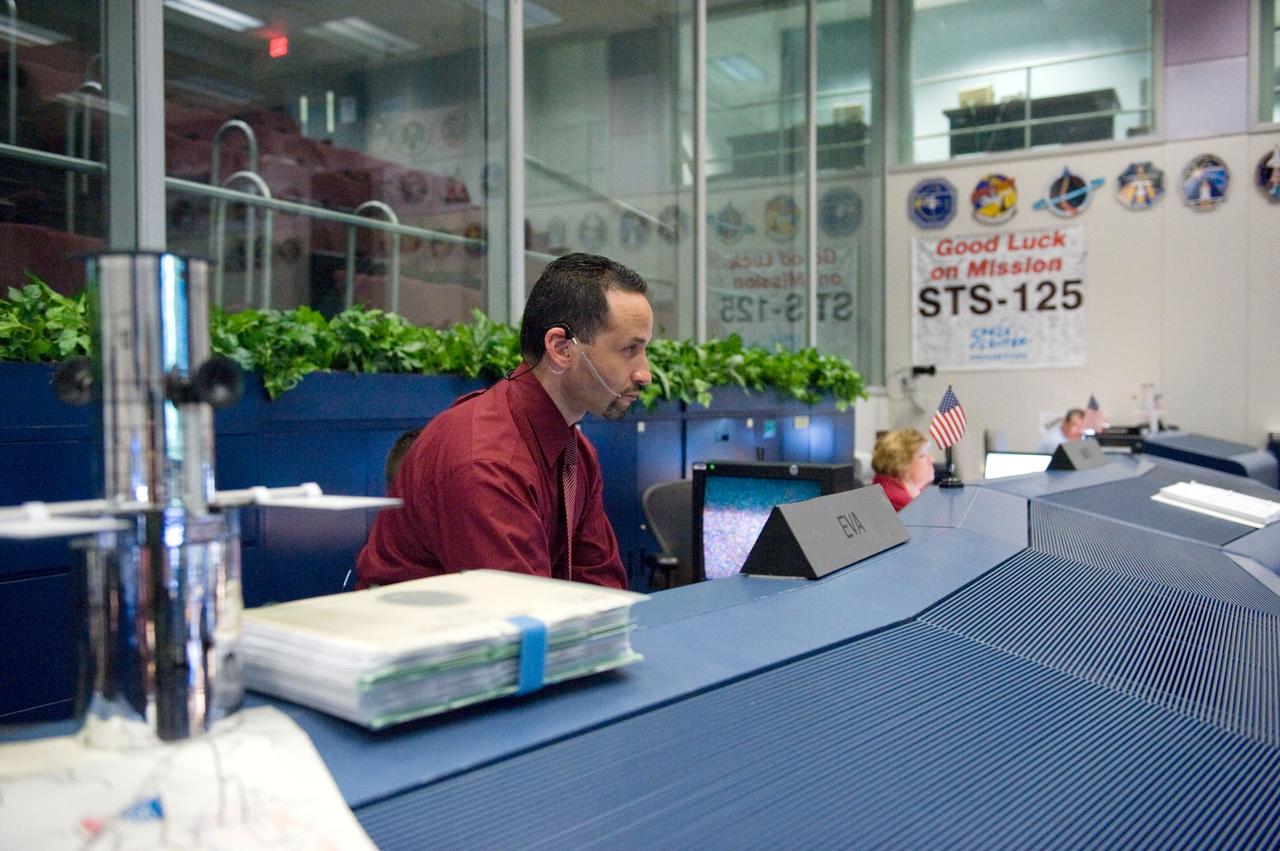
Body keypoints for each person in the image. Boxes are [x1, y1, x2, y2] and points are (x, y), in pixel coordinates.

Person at [356, 253, 653, 590]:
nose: (645, 374)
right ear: (561, 348)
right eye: (630, 349)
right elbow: (519, 618)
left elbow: (600, 589)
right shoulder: (486, 463)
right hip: (426, 639)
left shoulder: (576, 452)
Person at [871, 428, 934, 512]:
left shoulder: (913, 491)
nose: (932, 459)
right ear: (900, 463)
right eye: (922, 455)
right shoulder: (897, 503)